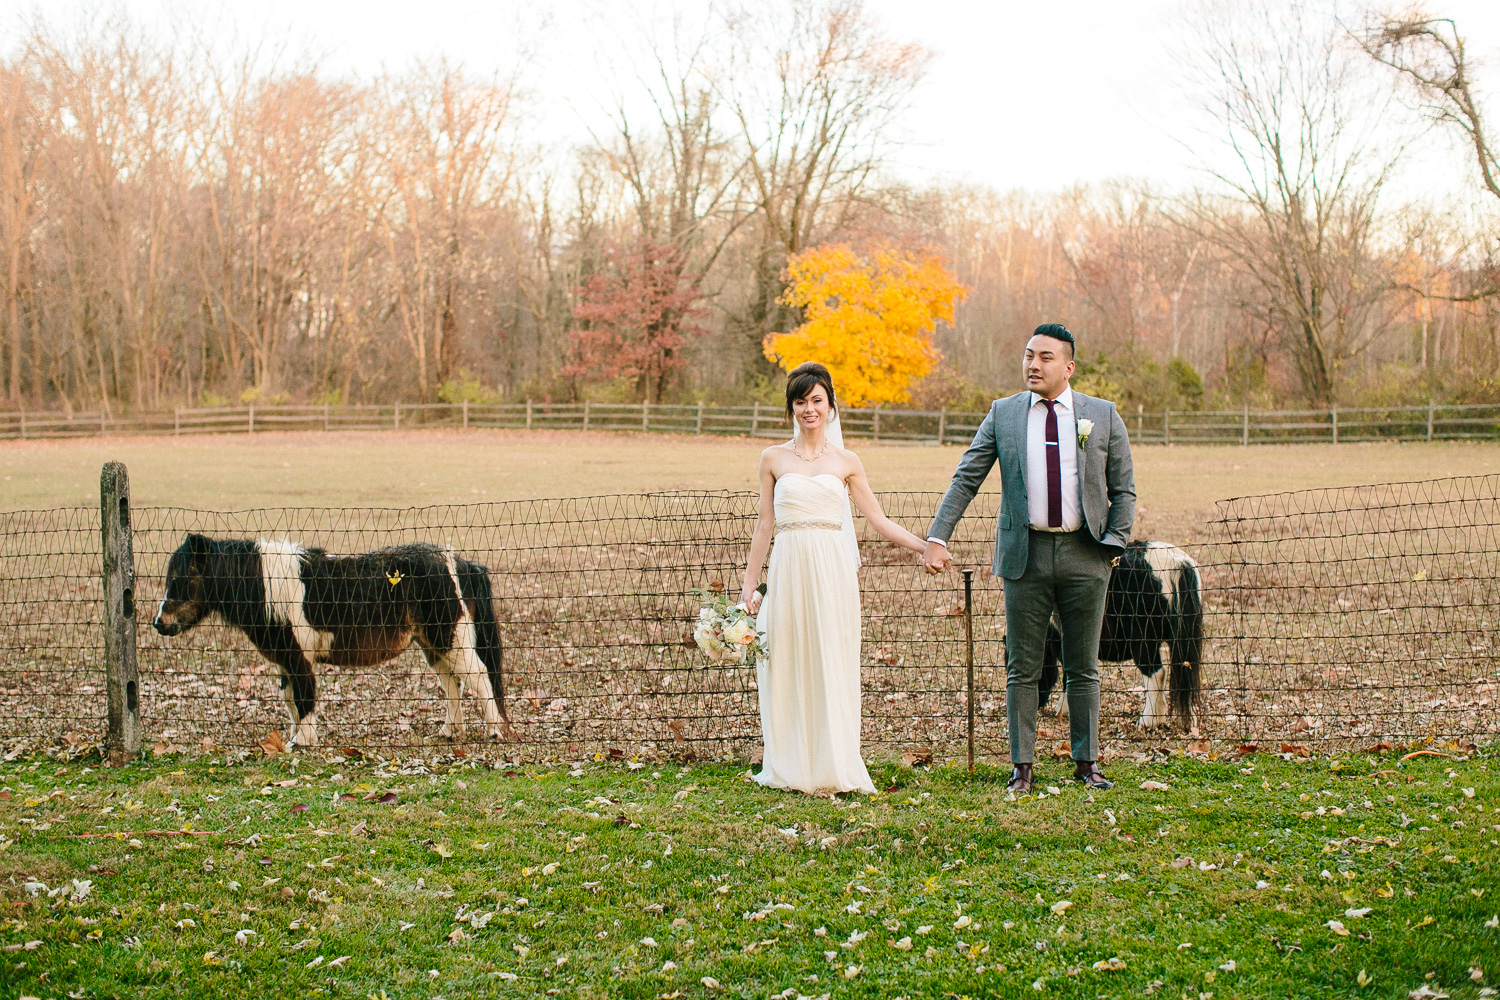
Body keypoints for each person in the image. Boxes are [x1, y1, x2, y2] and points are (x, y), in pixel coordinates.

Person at [922, 324, 1135, 793]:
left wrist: (1114, 545)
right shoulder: (1003, 415)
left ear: (1068, 367)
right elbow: (966, 479)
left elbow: (1124, 489)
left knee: (1083, 666)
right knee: (1023, 666)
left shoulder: (1102, 415)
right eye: (1028, 356)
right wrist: (937, 536)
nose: (1033, 365)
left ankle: (1087, 762)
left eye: (1045, 357)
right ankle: (1022, 767)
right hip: (1025, 556)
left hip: (1086, 555)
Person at [740, 361, 930, 795]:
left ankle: (832, 764)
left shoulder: (847, 461)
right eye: (801, 401)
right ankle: (789, 764)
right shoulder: (773, 458)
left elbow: (879, 521)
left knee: (829, 657)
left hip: (830, 571)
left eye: (817, 401)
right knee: (785, 658)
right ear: (791, 408)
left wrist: (925, 546)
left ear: (830, 406)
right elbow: (764, 526)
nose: (809, 409)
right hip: (788, 565)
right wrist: (750, 586)